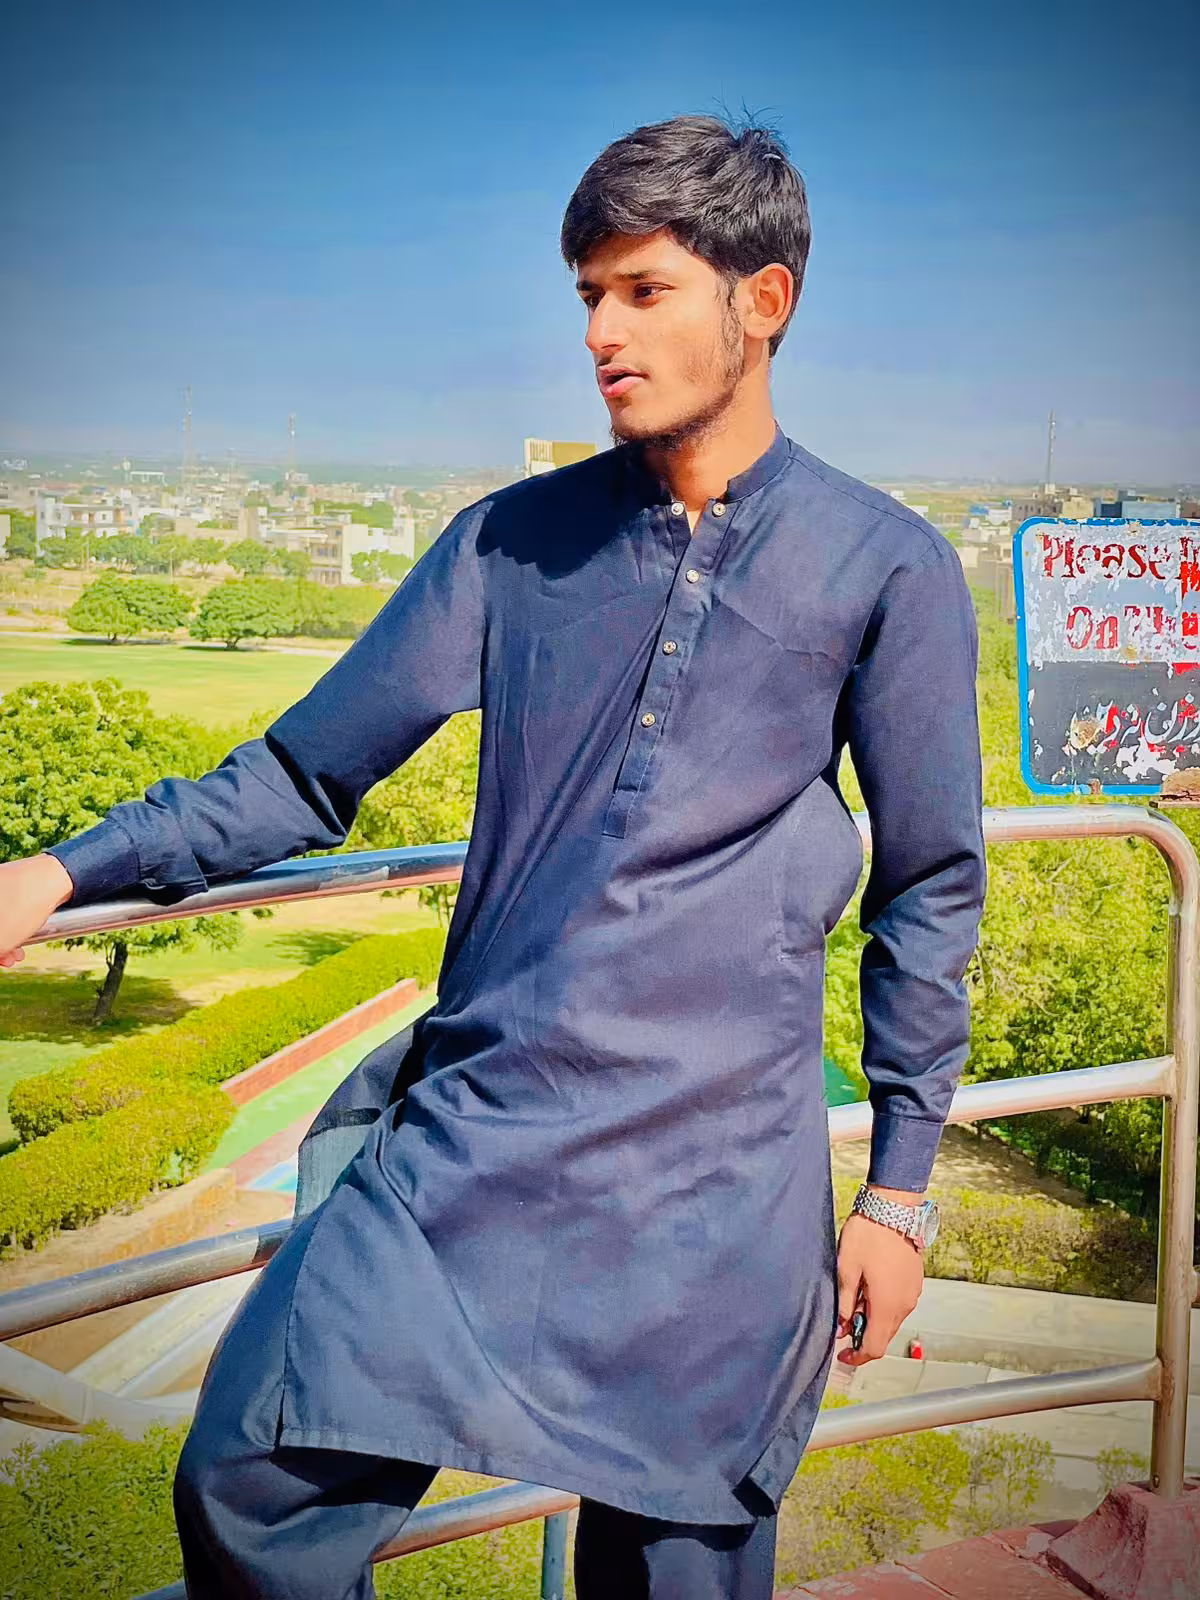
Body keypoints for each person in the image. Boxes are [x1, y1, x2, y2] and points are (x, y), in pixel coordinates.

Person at [1, 114, 986, 1600]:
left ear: (764, 301)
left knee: (675, 1570)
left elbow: (930, 888)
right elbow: (300, 776)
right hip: (482, 1141)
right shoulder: (506, 546)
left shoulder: (884, 563)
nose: (600, 334)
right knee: (250, 1483)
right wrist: (62, 871)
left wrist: (898, 1193)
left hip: (719, 1184)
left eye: (643, 291)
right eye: (588, 295)